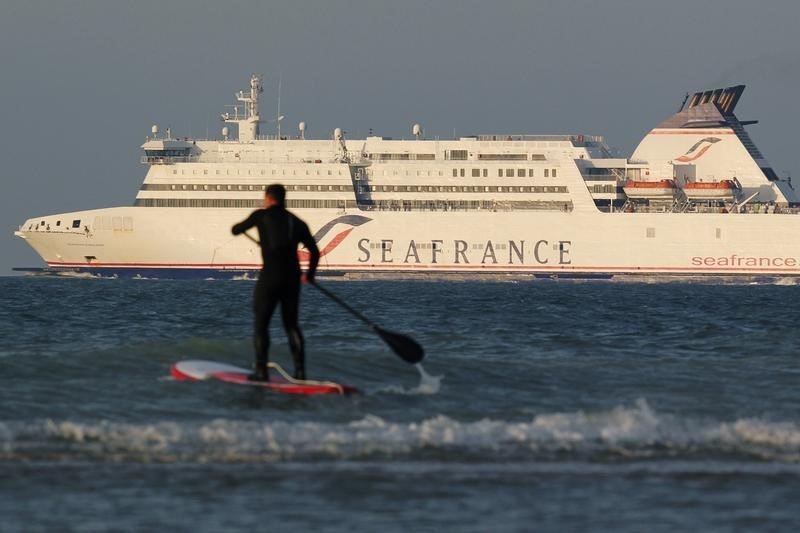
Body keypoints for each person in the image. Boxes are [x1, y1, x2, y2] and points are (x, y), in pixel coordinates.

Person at [231, 184, 320, 381]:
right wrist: (310, 275)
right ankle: (300, 372)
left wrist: (240, 230)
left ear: (268, 198)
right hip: (292, 279)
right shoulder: (297, 222)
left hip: (270, 277)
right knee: (291, 325)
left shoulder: (261, 216)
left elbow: (236, 230)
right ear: (283, 198)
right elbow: (314, 251)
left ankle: (261, 372)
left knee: (261, 324)